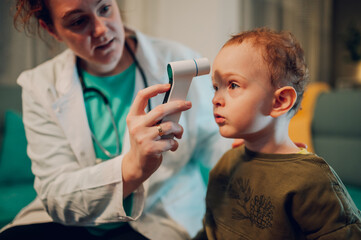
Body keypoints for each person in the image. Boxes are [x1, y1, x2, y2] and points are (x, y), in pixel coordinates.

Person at [0, 0, 233, 239]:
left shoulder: (180, 60)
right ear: (52, 30)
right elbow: (57, 193)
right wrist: (131, 168)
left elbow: (217, 151)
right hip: (69, 223)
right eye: (79, 21)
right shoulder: (39, 85)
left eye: (104, 9)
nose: (101, 29)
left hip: (156, 217)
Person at [194, 28, 361, 239]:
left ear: (280, 101)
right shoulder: (226, 163)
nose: (216, 99)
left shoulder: (312, 179)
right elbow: (210, 229)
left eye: (233, 85)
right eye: (215, 86)